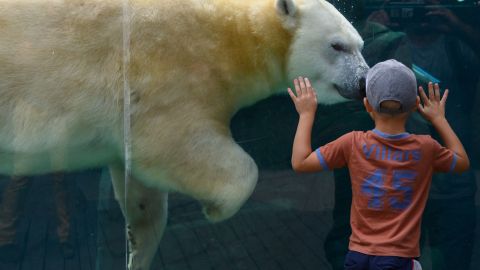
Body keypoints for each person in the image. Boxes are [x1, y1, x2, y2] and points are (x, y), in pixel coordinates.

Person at [287, 59, 470, 270]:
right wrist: (439, 119)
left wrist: (307, 113)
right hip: (399, 259)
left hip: (358, 257)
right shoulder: (426, 148)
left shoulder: (352, 143)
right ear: (414, 107)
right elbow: (462, 163)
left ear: (367, 105)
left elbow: (300, 162)